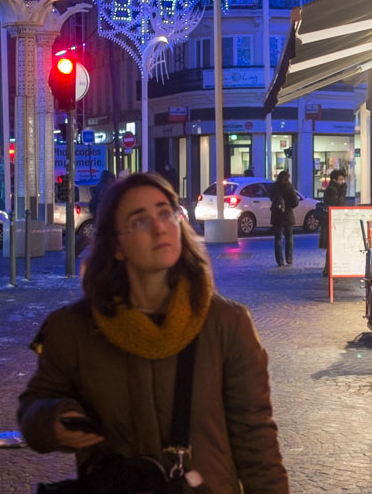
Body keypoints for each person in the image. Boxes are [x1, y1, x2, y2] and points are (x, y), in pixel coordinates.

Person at [17, 173, 289, 494]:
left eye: (165, 213)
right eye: (139, 221)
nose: (159, 227)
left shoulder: (227, 323)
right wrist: (53, 419)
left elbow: (255, 437)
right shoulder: (74, 329)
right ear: (117, 246)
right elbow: (33, 408)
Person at [317, 169, 348, 276]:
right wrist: (343, 191)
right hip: (331, 222)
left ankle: (329, 268)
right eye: (340, 179)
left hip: (333, 221)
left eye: (343, 179)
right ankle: (328, 269)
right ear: (334, 180)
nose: (342, 181)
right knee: (332, 246)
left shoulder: (335, 189)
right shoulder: (332, 190)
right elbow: (339, 204)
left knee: (332, 246)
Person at [269, 170, 299, 267]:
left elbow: (271, 198)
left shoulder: (273, 187)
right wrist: (287, 206)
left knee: (278, 239)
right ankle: (289, 258)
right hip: (287, 215)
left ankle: (280, 261)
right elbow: (295, 202)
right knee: (289, 237)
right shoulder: (289, 187)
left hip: (276, 215)